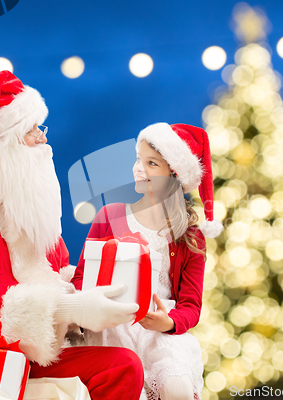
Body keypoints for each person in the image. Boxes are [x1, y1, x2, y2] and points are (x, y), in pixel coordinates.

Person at [0, 70, 144, 399]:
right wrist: (70, 309)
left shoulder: (26, 197)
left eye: (40, 127)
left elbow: (60, 269)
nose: (43, 138)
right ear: (0, 145)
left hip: (41, 350)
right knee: (123, 366)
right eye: (31, 130)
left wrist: (113, 290)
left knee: (123, 365)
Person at [72, 123, 224, 400]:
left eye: (151, 163)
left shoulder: (190, 237)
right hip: (111, 327)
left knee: (175, 387)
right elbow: (81, 278)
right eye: (138, 159)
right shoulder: (110, 216)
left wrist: (166, 323)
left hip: (159, 331)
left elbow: (191, 306)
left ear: (173, 175)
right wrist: (90, 303)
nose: (138, 169)